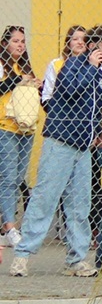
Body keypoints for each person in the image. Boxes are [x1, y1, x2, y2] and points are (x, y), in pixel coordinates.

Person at [7, 25, 102, 278]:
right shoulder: (73, 65)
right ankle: (23, 255)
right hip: (61, 142)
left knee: (80, 204)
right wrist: (91, 67)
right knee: (45, 197)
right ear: (93, 47)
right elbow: (68, 91)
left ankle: (76, 259)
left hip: (83, 147)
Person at [0, 26, 42, 249]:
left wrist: (35, 84)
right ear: (5, 43)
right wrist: (17, 79)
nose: (20, 45)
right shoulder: (3, 65)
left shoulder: (25, 66)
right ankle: (10, 226)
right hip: (6, 127)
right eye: (15, 41)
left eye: (23, 41)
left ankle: (7, 226)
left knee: (17, 179)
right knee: (7, 178)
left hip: (26, 129)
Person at [40, 25, 87, 107]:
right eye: (75, 39)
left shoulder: (93, 64)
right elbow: (48, 91)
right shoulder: (56, 64)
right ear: (68, 43)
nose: (80, 42)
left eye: (84, 39)